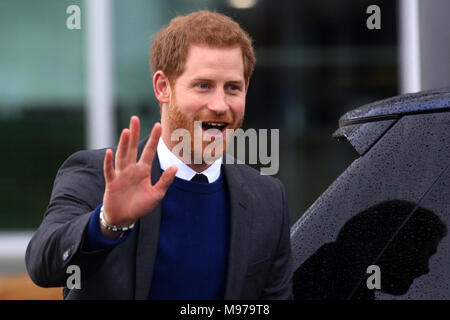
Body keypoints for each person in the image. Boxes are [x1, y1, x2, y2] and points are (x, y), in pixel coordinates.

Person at [25, 10, 293, 300]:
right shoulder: (97, 174)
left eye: (232, 88)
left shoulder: (267, 198)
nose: (220, 105)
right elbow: (42, 264)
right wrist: (107, 223)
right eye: (203, 85)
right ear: (163, 87)